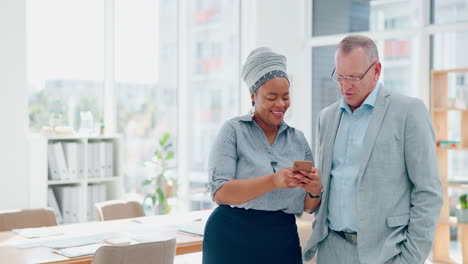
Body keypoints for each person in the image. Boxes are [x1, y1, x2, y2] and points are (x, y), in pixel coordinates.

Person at [302, 35, 444, 264]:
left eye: (354, 77)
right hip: (332, 251)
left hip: (386, 254)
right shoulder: (326, 117)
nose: (345, 86)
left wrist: (409, 259)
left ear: (377, 70)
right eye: (340, 76)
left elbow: (428, 192)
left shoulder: (408, 112)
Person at [202, 47, 323, 264]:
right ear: (253, 95)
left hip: (281, 240)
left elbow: (308, 205)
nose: (281, 104)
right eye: (272, 97)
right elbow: (220, 192)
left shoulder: (298, 139)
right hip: (230, 238)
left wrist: (315, 191)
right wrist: (273, 180)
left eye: (285, 97)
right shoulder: (233, 131)